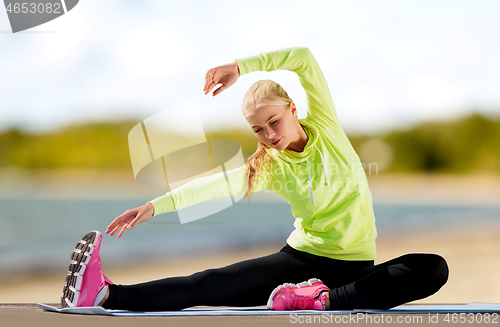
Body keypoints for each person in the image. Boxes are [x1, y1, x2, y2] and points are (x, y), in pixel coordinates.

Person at [60, 46, 449, 311]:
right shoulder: (270, 164)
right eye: (258, 129)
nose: (269, 134)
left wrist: (240, 67)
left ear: (293, 109)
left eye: (274, 121)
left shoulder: (327, 126)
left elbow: (303, 58)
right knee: (211, 283)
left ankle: (321, 300)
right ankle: (106, 294)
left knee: (432, 267)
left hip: (356, 271)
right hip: (300, 263)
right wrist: (154, 206)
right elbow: (214, 185)